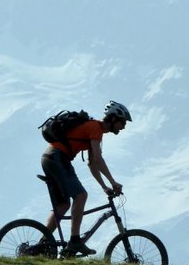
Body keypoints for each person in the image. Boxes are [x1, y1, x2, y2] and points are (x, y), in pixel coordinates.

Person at [40, 100, 131, 256]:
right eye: (122, 123)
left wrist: (104, 186)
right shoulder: (95, 128)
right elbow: (98, 159)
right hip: (57, 157)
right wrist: (113, 182)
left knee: (63, 205)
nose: (123, 127)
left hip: (52, 158)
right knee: (81, 195)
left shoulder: (94, 129)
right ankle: (75, 241)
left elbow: (92, 164)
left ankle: (43, 244)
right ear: (114, 119)